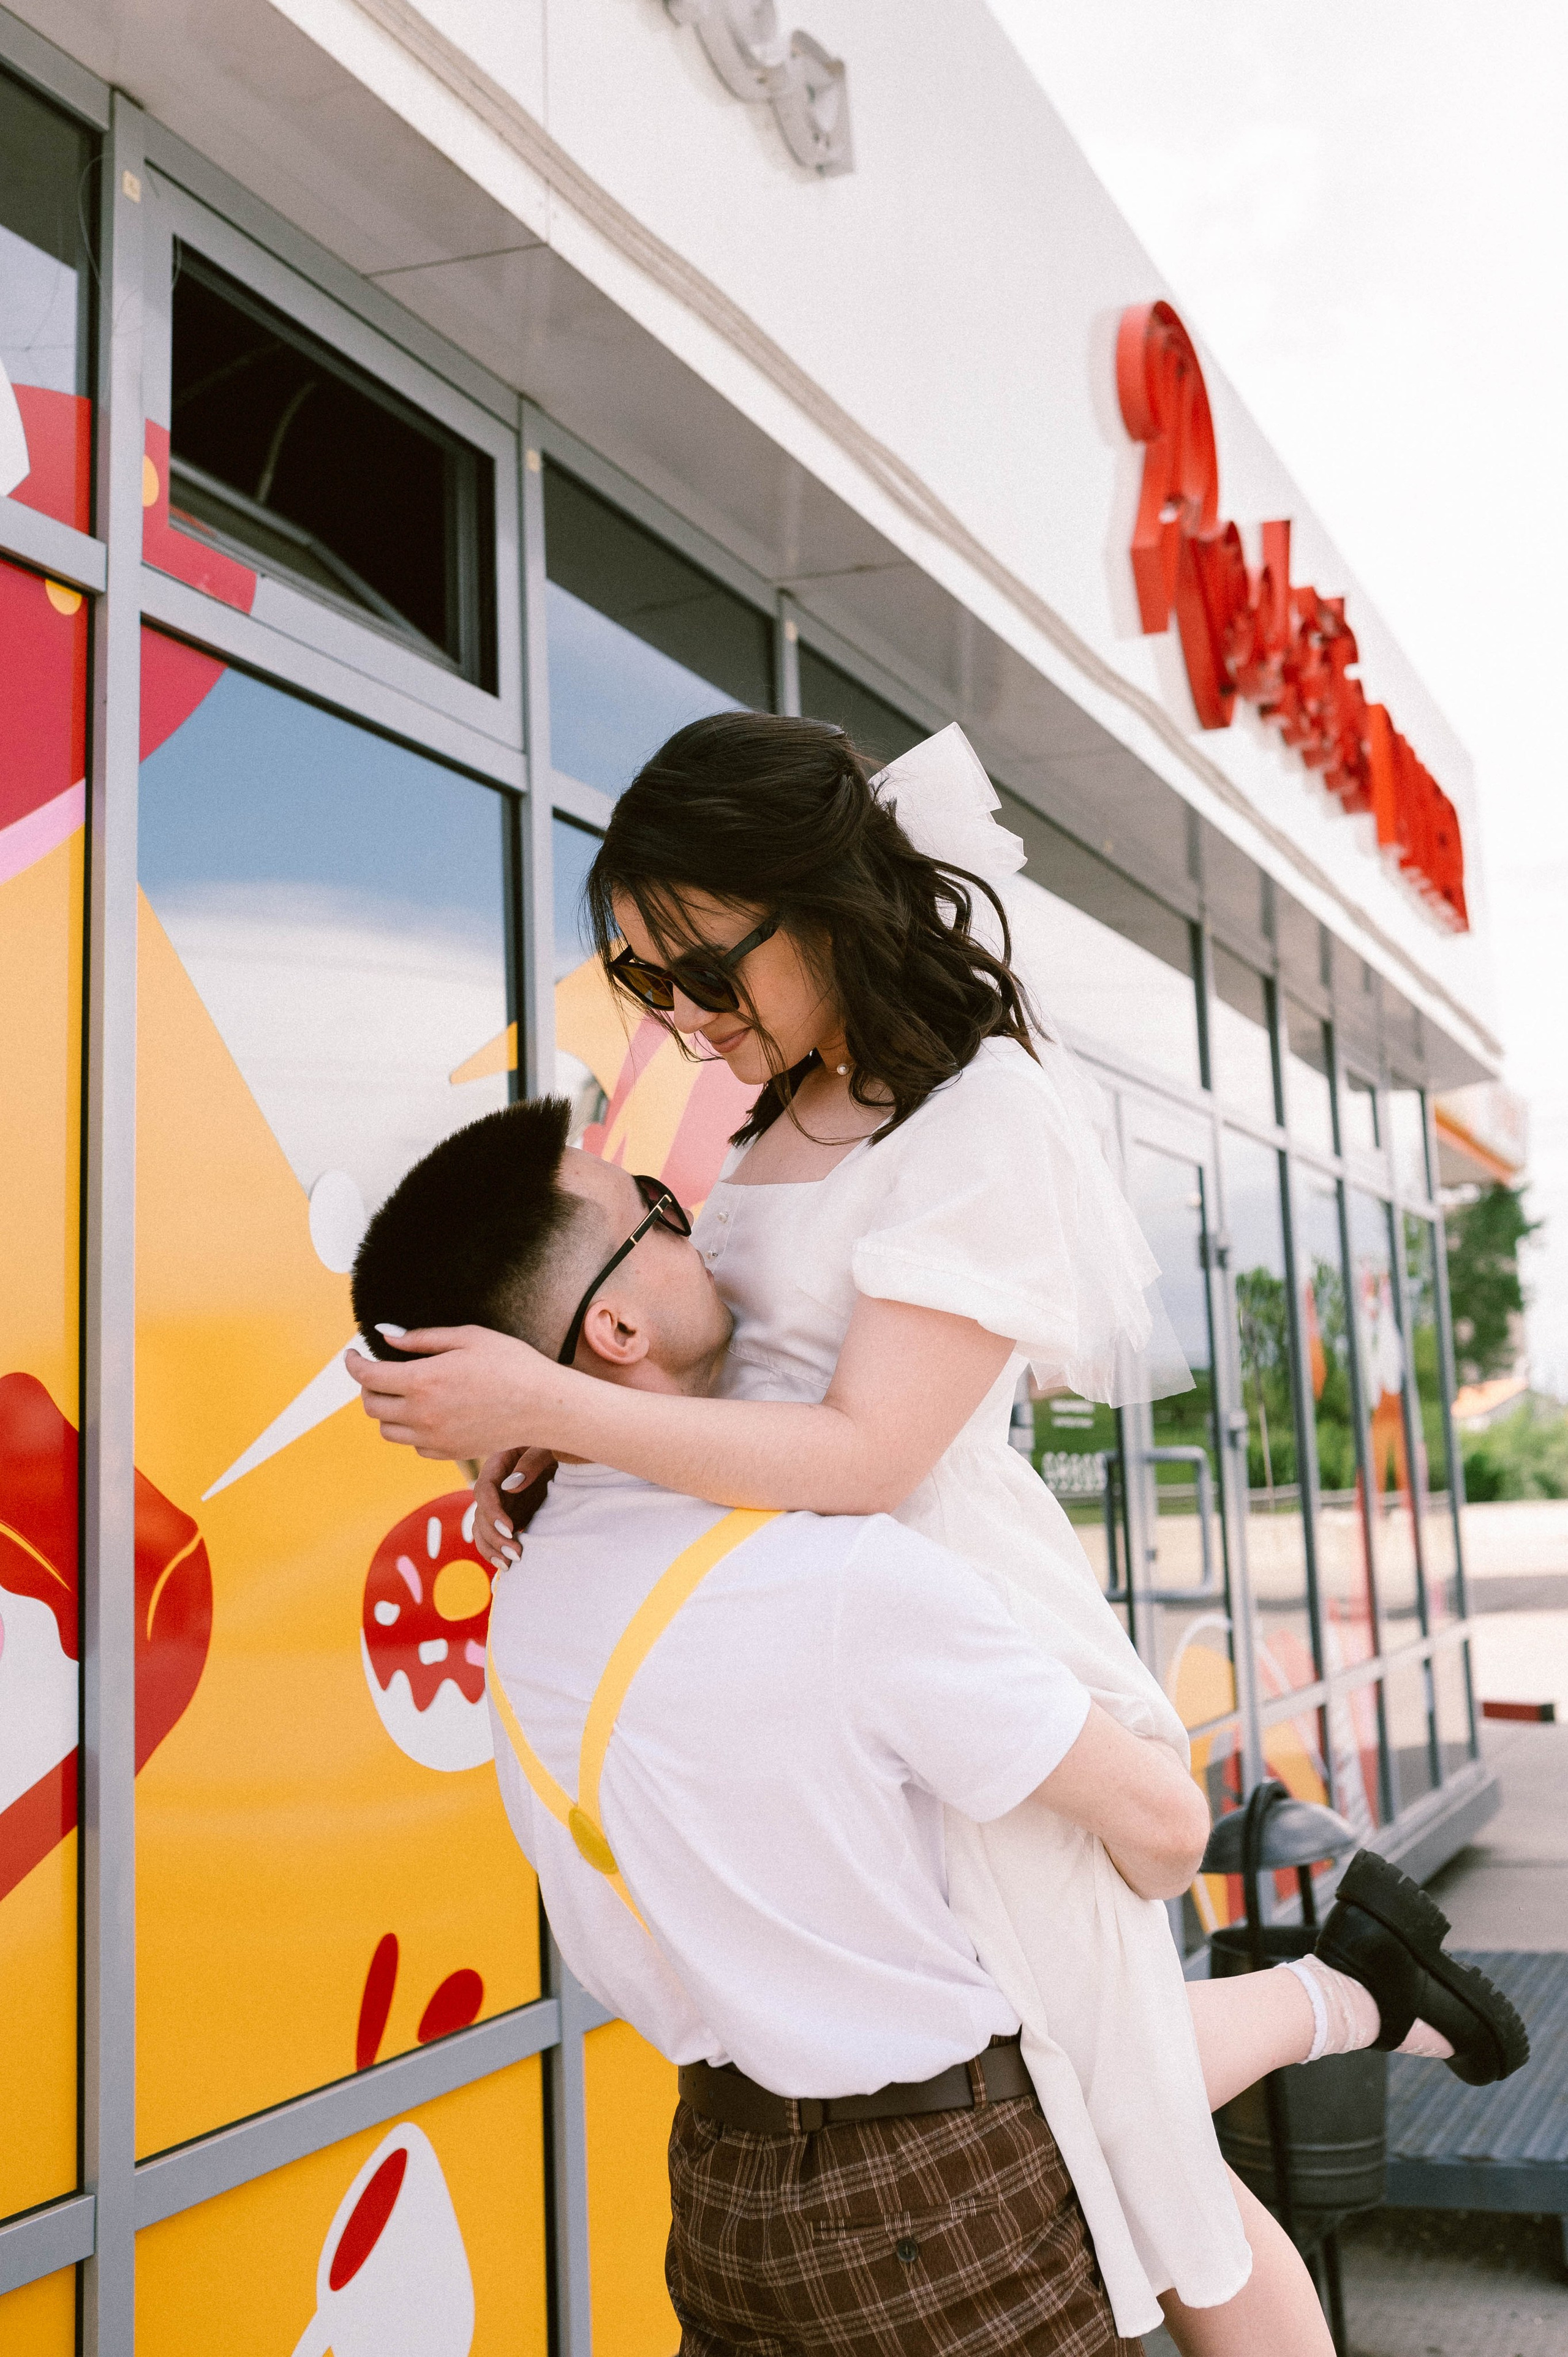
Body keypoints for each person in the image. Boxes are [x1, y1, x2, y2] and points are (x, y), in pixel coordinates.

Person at [350, 1098, 1527, 2357]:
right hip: (930, 2195)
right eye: (665, 1211)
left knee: (1126, 2112)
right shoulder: (834, 1579)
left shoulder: (523, 1592)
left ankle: (1341, 1991)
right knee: (1118, 2106)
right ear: (616, 1325)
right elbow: (1168, 1832)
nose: (706, 1233)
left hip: (724, 2186)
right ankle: (1339, 1992)